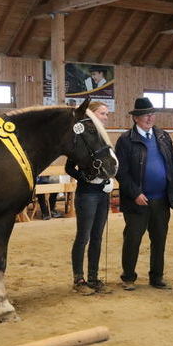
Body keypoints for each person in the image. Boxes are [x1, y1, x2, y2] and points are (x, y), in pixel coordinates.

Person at [115, 97, 173, 291]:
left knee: (159, 240)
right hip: (137, 201)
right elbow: (121, 171)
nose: (150, 118)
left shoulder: (163, 136)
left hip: (162, 200)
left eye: (152, 114)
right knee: (133, 239)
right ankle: (128, 277)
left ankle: (157, 277)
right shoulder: (126, 140)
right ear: (136, 118)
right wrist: (135, 192)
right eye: (146, 114)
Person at [65, 101, 113, 295]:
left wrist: (110, 180)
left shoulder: (103, 138)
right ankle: (79, 279)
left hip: (103, 192)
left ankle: (93, 277)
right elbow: (69, 167)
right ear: (93, 115)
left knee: (97, 237)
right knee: (83, 236)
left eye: (106, 114)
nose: (106, 117)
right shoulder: (82, 137)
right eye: (103, 113)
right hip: (87, 193)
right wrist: (84, 178)